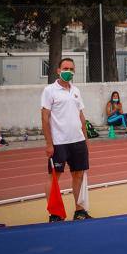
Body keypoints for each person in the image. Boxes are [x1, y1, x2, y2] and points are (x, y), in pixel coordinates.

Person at [41, 57, 92, 221]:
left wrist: (85, 139)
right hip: (59, 142)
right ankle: (55, 214)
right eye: (65, 68)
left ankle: (80, 211)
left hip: (77, 141)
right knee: (54, 177)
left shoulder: (76, 90)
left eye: (71, 69)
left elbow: (81, 116)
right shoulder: (49, 90)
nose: (68, 72)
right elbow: (44, 118)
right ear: (58, 70)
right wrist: (49, 143)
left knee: (78, 174)